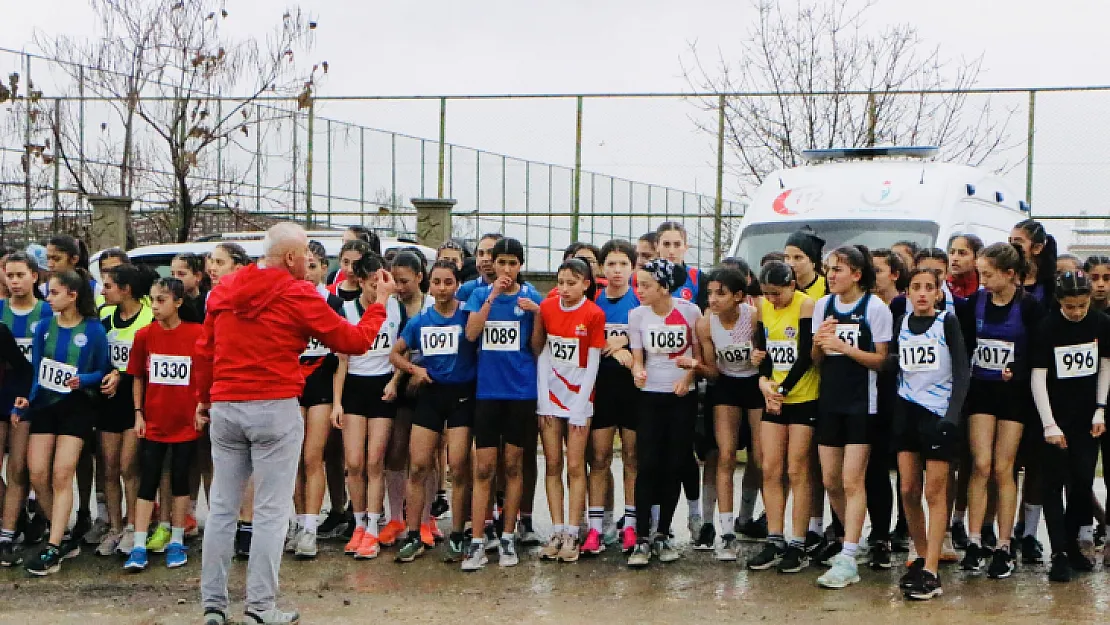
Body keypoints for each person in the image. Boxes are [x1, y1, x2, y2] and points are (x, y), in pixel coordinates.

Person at [196, 223, 393, 625]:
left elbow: (205, 350)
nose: (309, 260)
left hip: (226, 404)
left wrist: (203, 400)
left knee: (221, 509)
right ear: (290, 258)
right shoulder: (297, 292)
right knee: (270, 512)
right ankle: (260, 607)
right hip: (273, 405)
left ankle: (214, 605)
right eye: (305, 254)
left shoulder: (225, 291)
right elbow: (352, 342)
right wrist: (380, 304)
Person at [15, 269, 111, 576]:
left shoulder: (94, 330)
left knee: (61, 473)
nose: (48, 297)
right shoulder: (44, 327)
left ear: (73, 295)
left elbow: (104, 370)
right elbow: (37, 370)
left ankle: (54, 546)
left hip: (76, 407)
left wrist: (82, 379)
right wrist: (27, 401)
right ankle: (63, 528)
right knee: (38, 472)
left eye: (54, 292)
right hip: (45, 405)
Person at [810, 245, 892, 589]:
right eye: (828, 269)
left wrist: (846, 347)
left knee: (851, 479)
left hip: (863, 404)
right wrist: (817, 342)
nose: (830, 275)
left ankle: (847, 555)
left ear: (857, 275)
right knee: (830, 479)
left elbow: (883, 361)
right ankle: (851, 544)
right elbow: (816, 360)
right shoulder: (822, 307)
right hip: (830, 401)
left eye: (838, 270)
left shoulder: (875, 308)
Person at [960, 242, 1044, 578]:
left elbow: (1039, 351)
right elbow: (965, 345)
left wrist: (1018, 369)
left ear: (1011, 274)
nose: (983, 281)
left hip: (1014, 395)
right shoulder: (975, 303)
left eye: (989, 274)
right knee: (981, 464)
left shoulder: (1029, 307)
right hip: (982, 391)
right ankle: (976, 539)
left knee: (1003, 468)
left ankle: (1005, 545)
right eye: (981, 274)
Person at [460, 237, 544, 571]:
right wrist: (492, 296)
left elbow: (537, 348)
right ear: (492, 264)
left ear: (520, 265)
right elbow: (470, 334)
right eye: (501, 263)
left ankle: (509, 536)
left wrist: (537, 315)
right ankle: (479, 540)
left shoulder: (531, 297)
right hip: (488, 394)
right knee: (483, 468)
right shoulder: (480, 295)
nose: (507, 269)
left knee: (513, 466)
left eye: (513, 263)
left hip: (520, 393)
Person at [389, 260, 478, 563]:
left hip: (461, 396)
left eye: (448, 282)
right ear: (429, 284)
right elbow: (394, 354)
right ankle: (414, 534)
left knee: (458, 466)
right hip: (430, 395)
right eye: (437, 282)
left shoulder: (466, 315)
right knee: (418, 466)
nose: (442, 288)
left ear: (456, 285)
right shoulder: (420, 321)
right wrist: (414, 369)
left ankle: (457, 534)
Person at [891, 268, 970, 600]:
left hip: (938, 415)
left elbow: (962, 370)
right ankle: (921, 555)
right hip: (906, 412)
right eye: (916, 288)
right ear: (907, 293)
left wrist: (952, 416)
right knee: (909, 488)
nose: (922, 294)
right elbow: (898, 365)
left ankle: (933, 570)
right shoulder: (902, 323)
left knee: (935, 493)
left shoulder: (946, 322)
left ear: (939, 293)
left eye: (929, 288)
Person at [1030, 271, 1110, 582]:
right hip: (1055, 415)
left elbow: (1105, 365)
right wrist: (1049, 424)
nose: (1076, 312)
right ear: (1059, 301)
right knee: (1053, 484)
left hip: (1087, 417)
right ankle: (1059, 552)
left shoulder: (1101, 323)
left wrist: (1100, 409)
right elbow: (1038, 376)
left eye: (1082, 305)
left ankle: (1074, 543)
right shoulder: (1047, 327)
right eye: (1070, 306)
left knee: (1082, 481)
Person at [625, 259, 703, 568]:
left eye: (645, 285)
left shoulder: (690, 311)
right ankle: (641, 537)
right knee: (648, 465)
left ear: (664, 287)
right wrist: (638, 372)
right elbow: (637, 356)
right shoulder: (636, 315)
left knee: (674, 465)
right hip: (649, 397)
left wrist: (688, 379)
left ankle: (662, 533)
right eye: (637, 285)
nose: (639, 291)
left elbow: (698, 356)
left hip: (681, 397)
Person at [123, 278, 204, 572]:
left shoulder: (197, 333)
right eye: (153, 300)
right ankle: (139, 544)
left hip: (185, 421)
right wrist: (138, 413)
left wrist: (201, 407)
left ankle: (177, 539)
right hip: (154, 421)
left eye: (162, 300)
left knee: (181, 479)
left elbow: (204, 374)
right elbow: (138, 378)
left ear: (178, 302)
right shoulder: (144, 336)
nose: (156, 306)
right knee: (148, 480)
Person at [748, 261, 820, 573]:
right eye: (766, 294)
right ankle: (774, 537)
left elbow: (805, 355)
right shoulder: (763, 307)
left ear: (792, 285)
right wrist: (764, 382)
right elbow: (763, 352)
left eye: (777, 293)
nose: (772, 299)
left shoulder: (806, 305)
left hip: (802, 396)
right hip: (773, 396)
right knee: (770, 467)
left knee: (797, 469)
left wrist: (784, 390)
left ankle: (798, 541)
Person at [690, 267, 764, 561]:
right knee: (725, 455)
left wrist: (761, 357)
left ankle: (760, 519)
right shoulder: (706, 324)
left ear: (739, 296)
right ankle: (726, 530)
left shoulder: (754, 315)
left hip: (755, 384)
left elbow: (767, 351)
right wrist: (694, 367)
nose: (713, 299)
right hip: (727, 387)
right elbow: (713, 372)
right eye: (709, 293)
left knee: (761, 457)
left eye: (720, 293)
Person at [333, 251, 403, 561]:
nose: (379, 288)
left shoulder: (394, 310)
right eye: (373, 283)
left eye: (382, 281)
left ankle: (374, 525)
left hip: (382, 386)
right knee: (354, 462)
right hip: (354, 388)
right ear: (360, 281)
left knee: (375, 461)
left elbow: (403, 350)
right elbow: (342, 362)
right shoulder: (347, 310)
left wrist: (395, 381)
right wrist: (336, 402)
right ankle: (359, 523)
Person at [534, 258, 605, 562]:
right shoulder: (547, 308)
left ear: (585, 284)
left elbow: (593, 362)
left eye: (572, 283)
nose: (564, 289)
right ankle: (557, 527)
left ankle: (573, 532)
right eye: (561, 282)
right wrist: (544, 399)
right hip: (550, 397)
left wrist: (580, 405)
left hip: (579, 400)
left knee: (576, 465)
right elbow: (543, 353)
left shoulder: (593, 313)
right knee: (552, 463)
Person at [286, 241, 345, 560]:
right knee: (293, 457)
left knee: (313, 456)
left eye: (313, 265)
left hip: (321, 383)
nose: (306, 272)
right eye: (302, 265)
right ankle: (298, 522)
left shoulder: (331, 302)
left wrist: (337, 402)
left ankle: (310, 527)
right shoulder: (288, 299)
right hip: (292, 386)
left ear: (322, 267)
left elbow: (341, 353)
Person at [96, 264, 158, 557]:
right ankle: (114, 526)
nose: (103, 291)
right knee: (108, 468)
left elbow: (148, 360)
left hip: (137, 397)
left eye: (108, 286)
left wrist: (123, 374)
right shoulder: (105, 315)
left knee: (128, 466)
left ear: (126, 289)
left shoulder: (148, 315)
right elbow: (99, 355)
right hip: (108, 398)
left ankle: (135, 526)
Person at [0, 253, 51, 566]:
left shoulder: (46, 311)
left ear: (35, 276)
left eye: (20, 275)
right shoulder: (0, 310)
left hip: (29, 398)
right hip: (1, 394)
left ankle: (6, 535)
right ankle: (15, 517)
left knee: (18, 468)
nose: (15, 281)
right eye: (9, 275)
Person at [591, 240, 641, 553]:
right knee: (599, 458)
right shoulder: (595, 303)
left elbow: (651, 342)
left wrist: (629, 345)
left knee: (633, 458)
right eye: (611, 264)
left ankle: (632, 525)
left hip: (633, 390)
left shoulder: (639, 301)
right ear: (602, 268)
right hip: (602, 388)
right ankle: (598, 526)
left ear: (632, 268)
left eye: (623, 264)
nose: (617, 270)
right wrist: (607, 343)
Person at [1011, 219, 1059, 306]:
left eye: (1018, 241)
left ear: (1037, 248)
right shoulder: (1006, 278)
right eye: (1010, 241)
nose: (1011, 246)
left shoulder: (1051, 286)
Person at [784, 227, 827, 300]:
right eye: (787, 257)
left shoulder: (827, 287)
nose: (790, 264)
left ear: (813, 261)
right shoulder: (781, 290)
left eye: (797, 257)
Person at [171, 252, 210, 324]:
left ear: (198, 276)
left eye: (181, 274)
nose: (175, 278)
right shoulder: (170, 303)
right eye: (173, 274)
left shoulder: (208, 301)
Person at [947, 234, 983, 299]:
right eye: (952, 252)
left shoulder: (984, 285)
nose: (954, 258)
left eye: (962, 253)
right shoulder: (942, 285)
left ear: (977, 258)